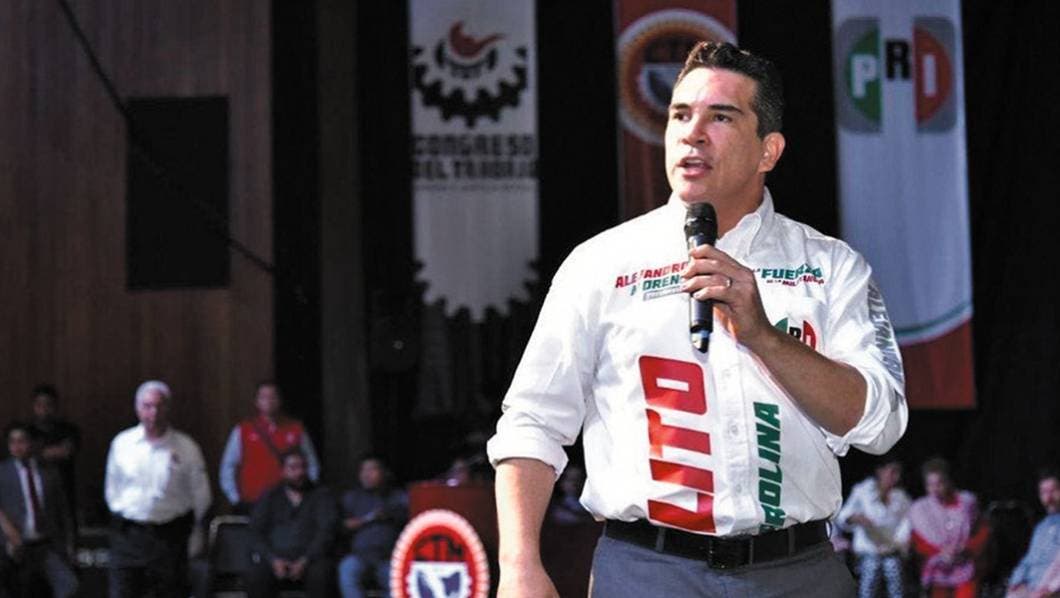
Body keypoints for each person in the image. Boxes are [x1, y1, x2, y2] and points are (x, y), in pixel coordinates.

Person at [487, 40, 907, 597]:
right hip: (647, 571)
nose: (693, 133)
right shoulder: (601, 265)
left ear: (768, 151)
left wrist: (764, 337)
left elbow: (881, 425)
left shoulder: (831, 267)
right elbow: (533, 423)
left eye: (721, 117)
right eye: (680, 115)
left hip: (797, 570)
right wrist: (519, 567)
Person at [104, 380, 212, 598]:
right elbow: (112, 488)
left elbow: (202, 495)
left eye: (159, 406)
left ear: (168, 408)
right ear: (137, 408)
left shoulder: (187, 447)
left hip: (169, 537)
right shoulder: (122, 444)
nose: (153, 412)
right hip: (129, 535)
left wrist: (187, 528)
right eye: (147, 406)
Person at [0, 422, 79, 597]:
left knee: (68, 586)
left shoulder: (49, 472)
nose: (17, 446)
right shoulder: (3, 473)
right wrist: (8, 535)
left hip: (45, 544)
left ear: (31, 443)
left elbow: (63, 511)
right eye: (12, 442)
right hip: (14, 548)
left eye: (21, 441)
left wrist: (70, 545)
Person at [245, 448, 337, 598]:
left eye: (303, 467)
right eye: (293, 468)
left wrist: (305, 560)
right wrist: (273, 559)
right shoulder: (270, 496)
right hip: (276, 557)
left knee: (322, 575)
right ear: (283, 471)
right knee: (256, 575)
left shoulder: (321, 495)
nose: (299, 472)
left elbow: (326, 532)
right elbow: (255, 531)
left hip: (310, 558)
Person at [220, 381, 322, 512]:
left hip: (289, 503)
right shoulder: (242, 430)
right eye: (264, 397)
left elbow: (311, 463)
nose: (269, 401)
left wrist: (306, 494)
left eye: (273, 397)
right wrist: (235, 499)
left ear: (280, 400)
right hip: (252, 501)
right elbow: (228, 466)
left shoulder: (296, 429)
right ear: (256, 402)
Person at [908, 458, 989, 598]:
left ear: (948, 481)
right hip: (937, 567)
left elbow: (983, 531)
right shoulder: (921, 509)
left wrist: (966, 548)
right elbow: (918, 540)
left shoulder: (967, 503)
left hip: (965, 562)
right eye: (930, 485)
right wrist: (940, 552)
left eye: (939, 483)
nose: (935, 489)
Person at [836, 458, 912, 598]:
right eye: (892, 472)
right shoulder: (863, 491)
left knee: (895, 581)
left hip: (891, 549)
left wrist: (898, 542)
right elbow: (843, 516)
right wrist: (855, 518)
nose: (896, 477)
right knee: (869, 583)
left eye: (898, 473)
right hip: (869, 550)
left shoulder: (900, 496)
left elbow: (907, 522)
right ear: (880, 471)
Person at [337, 455, 408, 598]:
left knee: (397, 579)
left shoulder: (399, 497)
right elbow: (341, 526)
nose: (366, 474)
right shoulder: (352, 498)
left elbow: (409, 520)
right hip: (360, 556)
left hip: (389, 558)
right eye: (363, 470)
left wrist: (390, 515)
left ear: (384, 472)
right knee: (347, 569)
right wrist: (363, 521)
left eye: (372, 469)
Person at [26, 385, 81, 526]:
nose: (44, 409)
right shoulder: (27, 431)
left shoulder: (69, 429)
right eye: (39, 404)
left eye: (48, 404)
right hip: (34, 490)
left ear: (55, 406)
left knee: (66, 526)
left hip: (64, 489)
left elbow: (67, 451)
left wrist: (39, 452)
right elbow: (25, 454)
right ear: (33, 406)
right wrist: (48, 452)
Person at [1006, 468, 1060, 597]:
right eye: (1044, 492)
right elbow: (1029, 559)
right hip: (1032, 587)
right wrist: (1015, 582)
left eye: (1053, 491)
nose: (1049, 498)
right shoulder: (1041, 527)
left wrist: (1049, 589)